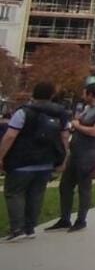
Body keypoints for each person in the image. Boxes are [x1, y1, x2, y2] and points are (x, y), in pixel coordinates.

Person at [0, 81, 68, 241]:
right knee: (36, 194)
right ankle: (30, 228)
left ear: (33, 93)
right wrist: (63, 159)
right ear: (52, 95)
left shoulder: (24, 112)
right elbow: (64, 137)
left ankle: (17, 229)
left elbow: (10, 136)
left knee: (14, 193)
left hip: (21, 160)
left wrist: (1, 156)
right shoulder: (61, 113)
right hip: (46, 161)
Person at [48, 77, 95, 232]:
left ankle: (81, 219)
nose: (83, 96)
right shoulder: (88, 108)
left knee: (84, 186)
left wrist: (77, 125)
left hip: (89, 152)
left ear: (91, 94)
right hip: (76, 150)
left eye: (85, 93)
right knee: (65, 185)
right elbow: (78, 121)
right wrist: (75, 124)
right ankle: (65, 218)